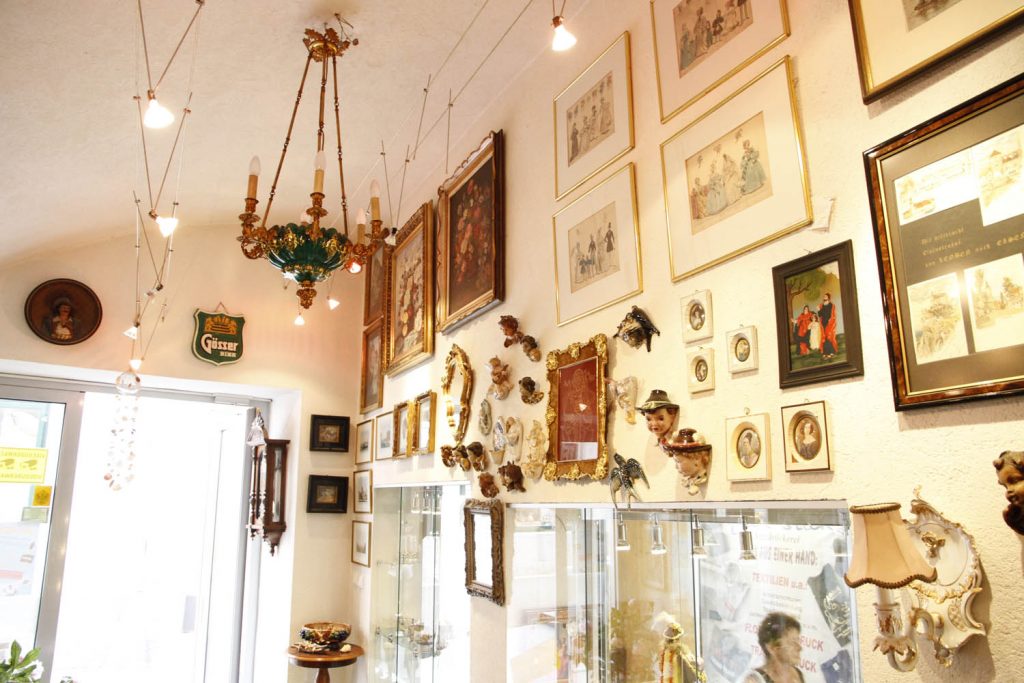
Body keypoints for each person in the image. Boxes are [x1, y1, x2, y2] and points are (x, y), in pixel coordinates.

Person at [744, 613, 804, 683]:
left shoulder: (797, 674)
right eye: (792, 642)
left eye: (798, 641)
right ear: (772, 648)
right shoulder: (755, 680)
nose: (800, 648)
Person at [818, 293, 839, 359]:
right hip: (823, 323)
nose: (824, 297)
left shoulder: (831, 305)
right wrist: (819, 310)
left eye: (825, 296)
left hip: (829, 324)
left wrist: (830, 321)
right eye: (824, 296)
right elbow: (820, 315)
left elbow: (832, 315)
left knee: (829, 337)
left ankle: (828, 353)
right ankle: (828, 353)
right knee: (824, 337)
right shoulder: (821, 305)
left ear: (828, 298)